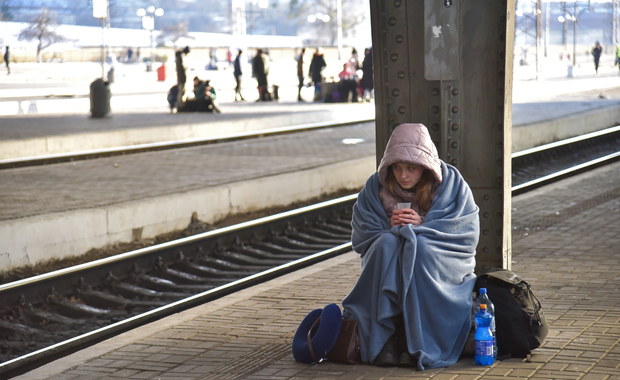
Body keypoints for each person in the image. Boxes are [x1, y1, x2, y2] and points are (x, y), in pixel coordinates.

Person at [341, 123, 480, 369]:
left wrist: (423, 225)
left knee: (422, 248)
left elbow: (463, 231)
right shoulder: (375, 189)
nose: (403, 175)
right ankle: (387, 336)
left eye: (411, 168)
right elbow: (364, 234)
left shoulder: (451, 185)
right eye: (397, 168)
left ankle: (417, 338)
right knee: (385, 243)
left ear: (425, 168)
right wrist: (388, 228)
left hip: (438, 258)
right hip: (390, 259)